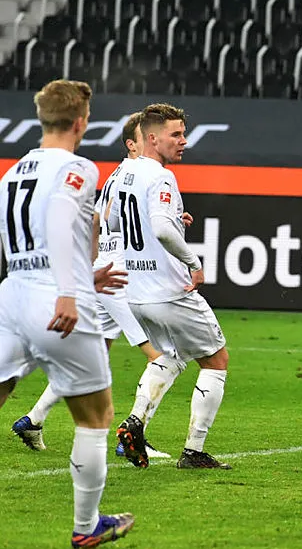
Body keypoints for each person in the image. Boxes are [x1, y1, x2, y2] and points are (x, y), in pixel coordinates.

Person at [0, 79, 135, 549]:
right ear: (81, 122)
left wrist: (82, 277)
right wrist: (68, 289)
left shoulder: (12, 172)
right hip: (53, 301)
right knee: (96, 417)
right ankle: (88, 525)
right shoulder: (78, 167)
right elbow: (58, 218)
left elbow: (27, 244)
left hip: (11, 296)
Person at [12, 113, 182, 461]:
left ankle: (34, 419)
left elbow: (103, 221)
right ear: (134, 143)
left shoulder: (120, 175)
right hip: (123, 278)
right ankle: (132, 436)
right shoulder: (145, 175)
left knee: (93, 356)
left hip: (104, 269)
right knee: (164, 356)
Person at [113, 103, 230, 469]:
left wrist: (172, 223)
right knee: (216, 360)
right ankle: (194, 451)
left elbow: (115, 223)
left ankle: (135, 423)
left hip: (137, 292)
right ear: (152, 138)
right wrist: (194, 262)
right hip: (169, 290)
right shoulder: (161, 176)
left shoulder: (123, 173)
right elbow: (161, 230)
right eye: (175, 135)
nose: (184, 141)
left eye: (183, 133)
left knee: (171, 357)